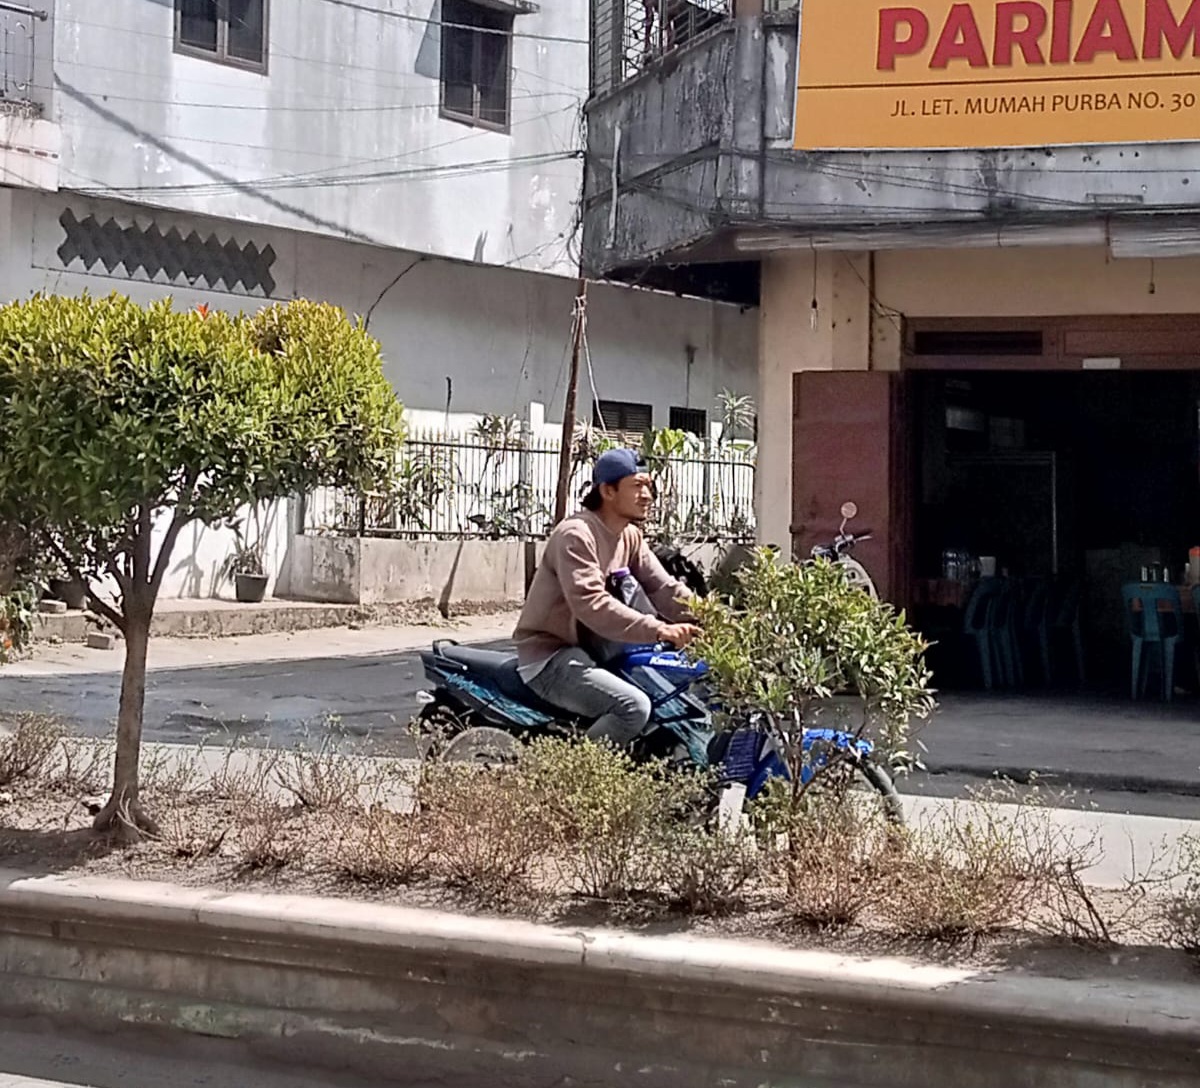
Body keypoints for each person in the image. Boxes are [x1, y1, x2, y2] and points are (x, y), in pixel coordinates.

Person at [514, 448, 700, 747]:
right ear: (608, 490)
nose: (647, 495)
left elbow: (661, 587)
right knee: (632, 708)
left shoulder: (629, 536)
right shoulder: (576, 535)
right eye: (637, 485)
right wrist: (658, 628)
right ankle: (570, 787)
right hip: (552, 656)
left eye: (648, 486)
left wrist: (715, 617)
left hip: (600, 651)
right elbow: (591, 603)